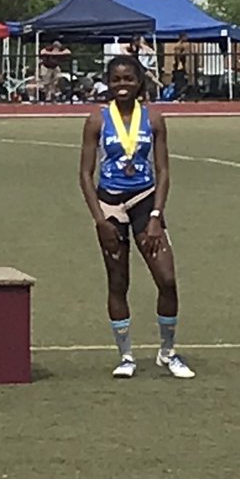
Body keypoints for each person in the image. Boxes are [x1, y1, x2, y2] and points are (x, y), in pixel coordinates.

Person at [79, 54, 194, 380]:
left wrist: (157, 215)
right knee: (118, 282)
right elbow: (85, 175)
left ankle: (167, 352)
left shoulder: (154, 119)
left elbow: (163, 170)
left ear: (140, 81)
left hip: (145, 202)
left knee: (167, 279)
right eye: (116, 80)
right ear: (108, 83)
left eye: (128, 79)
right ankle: (126, 356)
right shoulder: (97, 120)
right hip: (110, 206)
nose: (122, 85)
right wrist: (99, 219)